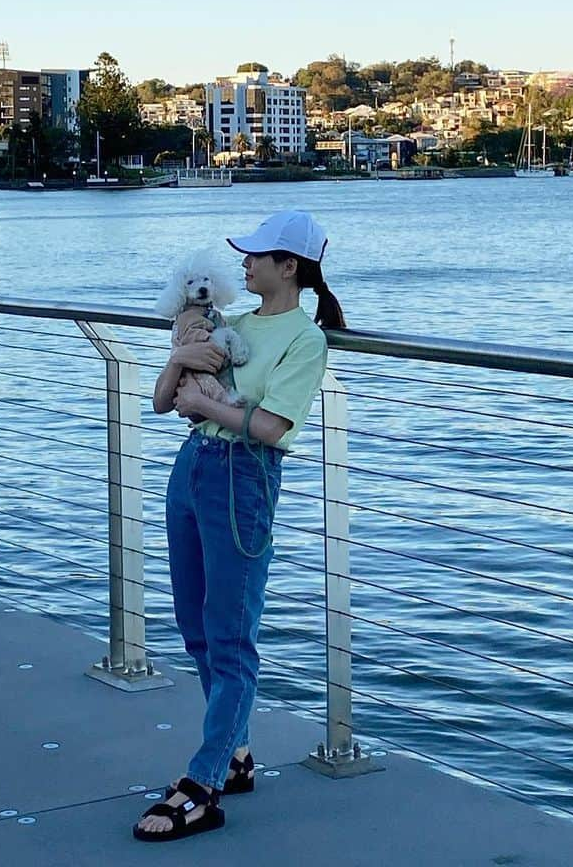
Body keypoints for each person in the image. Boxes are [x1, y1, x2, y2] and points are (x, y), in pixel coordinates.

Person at [134, 210, 346, 842]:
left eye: (257, 257)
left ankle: (202, 784)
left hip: (243, 478)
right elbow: (166, 399)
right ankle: (237, 752)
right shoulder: (230, 326)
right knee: (194, 623)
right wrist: (183, 377)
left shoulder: (304, 342)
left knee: (230, 636)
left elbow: (275, 428)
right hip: (192, 466)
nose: (245, 265)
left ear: (290, 268)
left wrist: (199, 401)